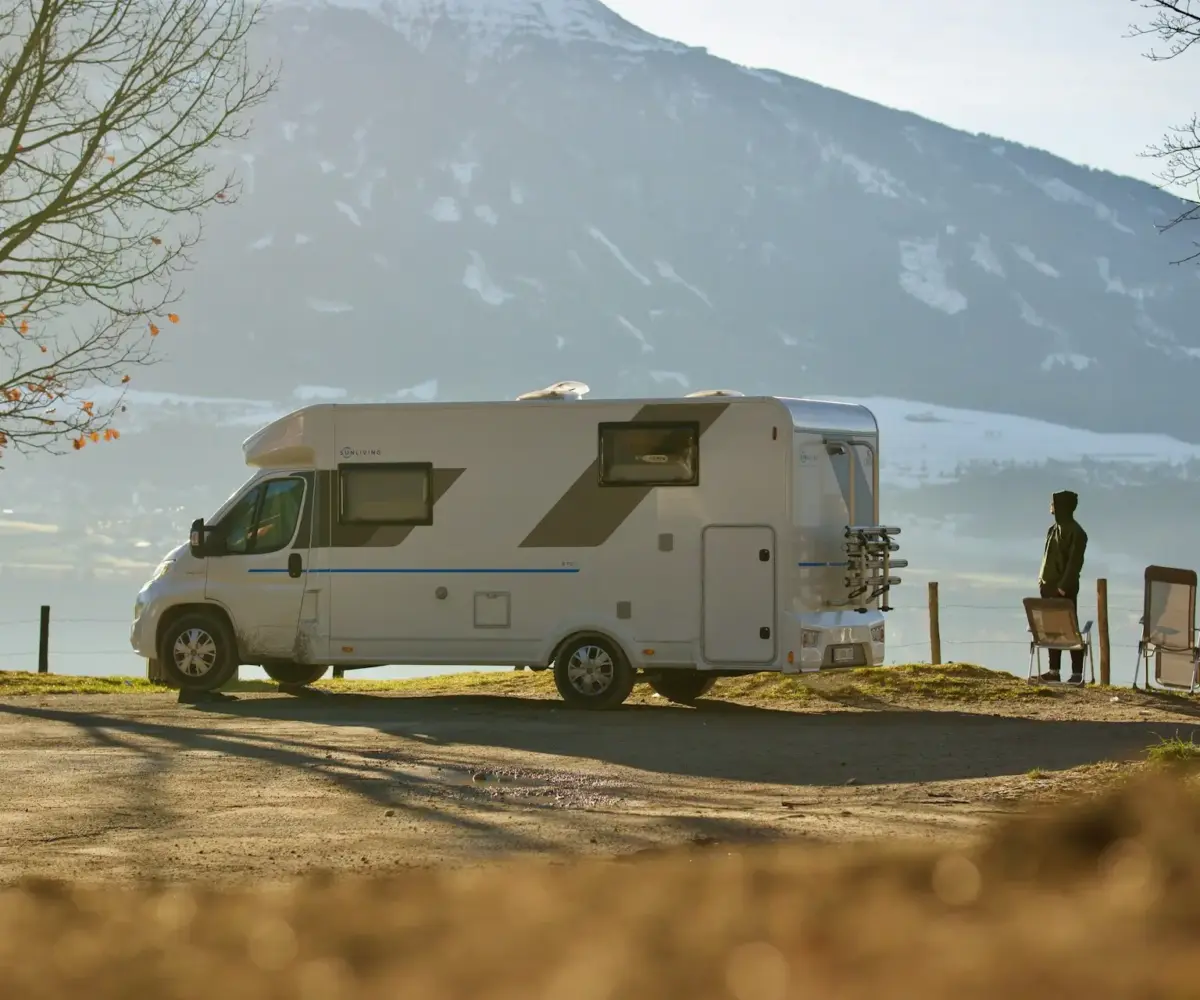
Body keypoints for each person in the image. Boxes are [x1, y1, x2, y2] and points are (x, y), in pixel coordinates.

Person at [1037, 490, 1089, 683]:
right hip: (1047, 586)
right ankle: (1054, 671)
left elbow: (1074, 564)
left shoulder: (1077, 533)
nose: (1050, 506)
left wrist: (1062, 587)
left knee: (1069, 628)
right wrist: (1042, 581)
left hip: (1063, 589)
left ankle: (1076, 674)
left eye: (1053, 503)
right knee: (1051, 628)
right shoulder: (1052, 530)